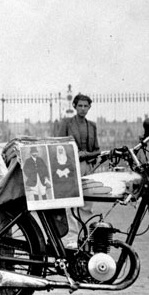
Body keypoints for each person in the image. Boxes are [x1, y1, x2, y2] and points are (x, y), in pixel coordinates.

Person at [57, 93, 100, 247]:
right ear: (74, 107)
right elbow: (59, 144)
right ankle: (71, 238)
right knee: (70, 203)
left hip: (87, 166)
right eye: (80, 106)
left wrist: (87, 154)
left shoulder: (92, 126)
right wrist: (75, 153)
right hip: (70, 166)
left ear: (89, 108)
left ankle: (84, 236)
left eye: (85, 106)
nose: (82, 109)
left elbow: (97, 150)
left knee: (87, 204)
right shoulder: (67, 123)